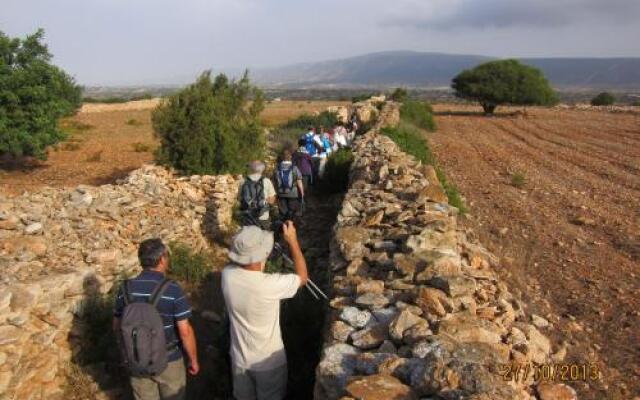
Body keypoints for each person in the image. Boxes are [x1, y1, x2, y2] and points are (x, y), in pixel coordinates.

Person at [221, 223, 308, 400]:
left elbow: (242, 267)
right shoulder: (269, 285)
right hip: (269, 363)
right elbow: (302, 277)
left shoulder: (227, 276)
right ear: (261, 255)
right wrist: (293, 241)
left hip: (239, 359)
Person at [113, 239, 199, 400]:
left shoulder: (124, 288)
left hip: (137, 359)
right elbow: (185, 331)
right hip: (169, 359)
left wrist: (126, 352)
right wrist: (193, 359)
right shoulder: (172, 289)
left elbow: (116, 326)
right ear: (162, 259)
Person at [238, 160, 277, 229]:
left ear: (251, 169)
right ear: (262, 169)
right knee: (263, 236)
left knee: (248, 238)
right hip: (263, 216)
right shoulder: (266, 181)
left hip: (247, 216)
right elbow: (272, 200)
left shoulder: (243, 181)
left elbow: (239, 198)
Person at [274, 149, 305, 219]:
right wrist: (302, 194)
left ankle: (283, 226)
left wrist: (276, 193)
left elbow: (275, 182)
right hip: (293, 193)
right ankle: (291, 226)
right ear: (290, 157)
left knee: (283, 213)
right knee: (292, 212)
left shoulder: (277, 168)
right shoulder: (294, 168)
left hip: (281, 193)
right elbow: (299, 182)